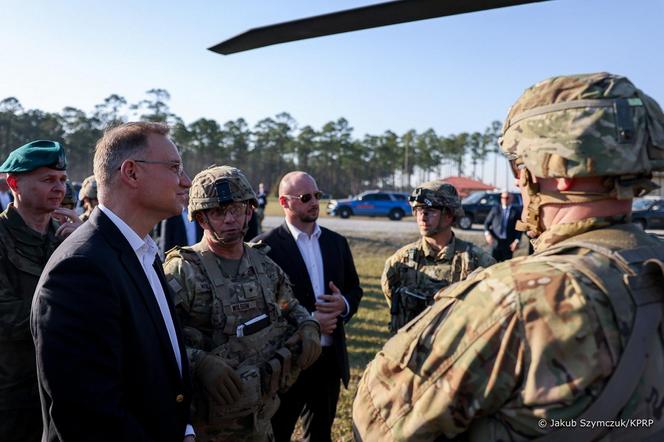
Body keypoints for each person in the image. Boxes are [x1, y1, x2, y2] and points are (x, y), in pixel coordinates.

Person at [352, 72, 664, 441]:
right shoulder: (651, 262)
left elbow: (379, 425)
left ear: (559, 171)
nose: (518, 179)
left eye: (521, 164)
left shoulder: (510, 296)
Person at [31, 122, 196, 441]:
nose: (186, 181)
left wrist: (183, 428)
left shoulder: (144, 251)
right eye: (175, 167)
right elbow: (89, 416)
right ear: (131, 173)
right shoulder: (81, 270)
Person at [164, 165, 321, 442]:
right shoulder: (182, 271)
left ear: (250, 210)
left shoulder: (265, 265)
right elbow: (155, 340)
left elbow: (287, 304)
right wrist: (199, 363)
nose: (230, 219)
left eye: (237, 209)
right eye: (218, 212)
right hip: (205, 426)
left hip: (260, 420)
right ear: (200, 218)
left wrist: (308, 325)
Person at [254, 171, 363, 442]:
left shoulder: (336, 243)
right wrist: (311, 321)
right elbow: (262, 306)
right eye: (305, 197)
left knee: (320, 435)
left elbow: (354, 288)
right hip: (285, 360)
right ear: (284, 202)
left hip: (328, 361)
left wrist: (344, 304)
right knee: (278, 432)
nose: (314, 202)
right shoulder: (263, 248)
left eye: (318, 196)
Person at [0, 140, 79, 442]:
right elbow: (7, 318)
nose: (59, 187)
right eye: (47, 179)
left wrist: (87, 243)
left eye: (61, 179)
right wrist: (71, 316)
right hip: (14, 396)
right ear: (13, 183)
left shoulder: (68, 238)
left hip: (64, 388)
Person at [382, 180, 495, 334]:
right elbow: (392, 300)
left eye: (430, 211)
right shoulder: (400, 261)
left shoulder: (479, 262)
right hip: (408, 353)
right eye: (418, 210)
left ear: (449, 215)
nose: (422, 217)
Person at [483, 190, 522, 261]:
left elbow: (519, 229)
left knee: (506, 267)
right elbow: (486, 223)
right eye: (502, 197)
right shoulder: (495, 209)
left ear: (511, 199)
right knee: (493, 265)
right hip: (495, 242)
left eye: (507, 198)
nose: (504, 200)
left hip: (508, 243)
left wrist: (516, 241)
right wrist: (487, 234)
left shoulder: (516, 212)